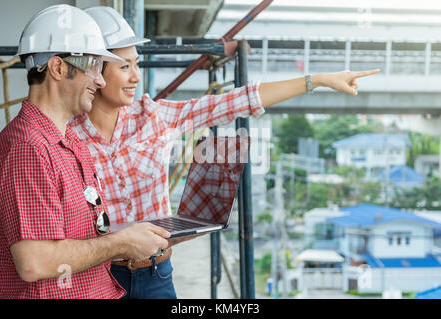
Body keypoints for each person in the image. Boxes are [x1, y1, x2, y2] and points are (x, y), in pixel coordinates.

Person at [70, 6, 380, 299]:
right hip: (98, 276)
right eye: (125, 67)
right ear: (94, 70)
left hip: (156, 273)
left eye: (137, 64)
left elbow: (237, 101)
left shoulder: (154, 117)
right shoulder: (67, 136)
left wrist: (317, 81)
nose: (136, 76)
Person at [0, 4, 170, 299]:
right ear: (59, 68)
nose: (99, 81)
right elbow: (35, 262)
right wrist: (122, 243)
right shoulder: (27, 149)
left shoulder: (70, 142)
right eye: (94, 68)